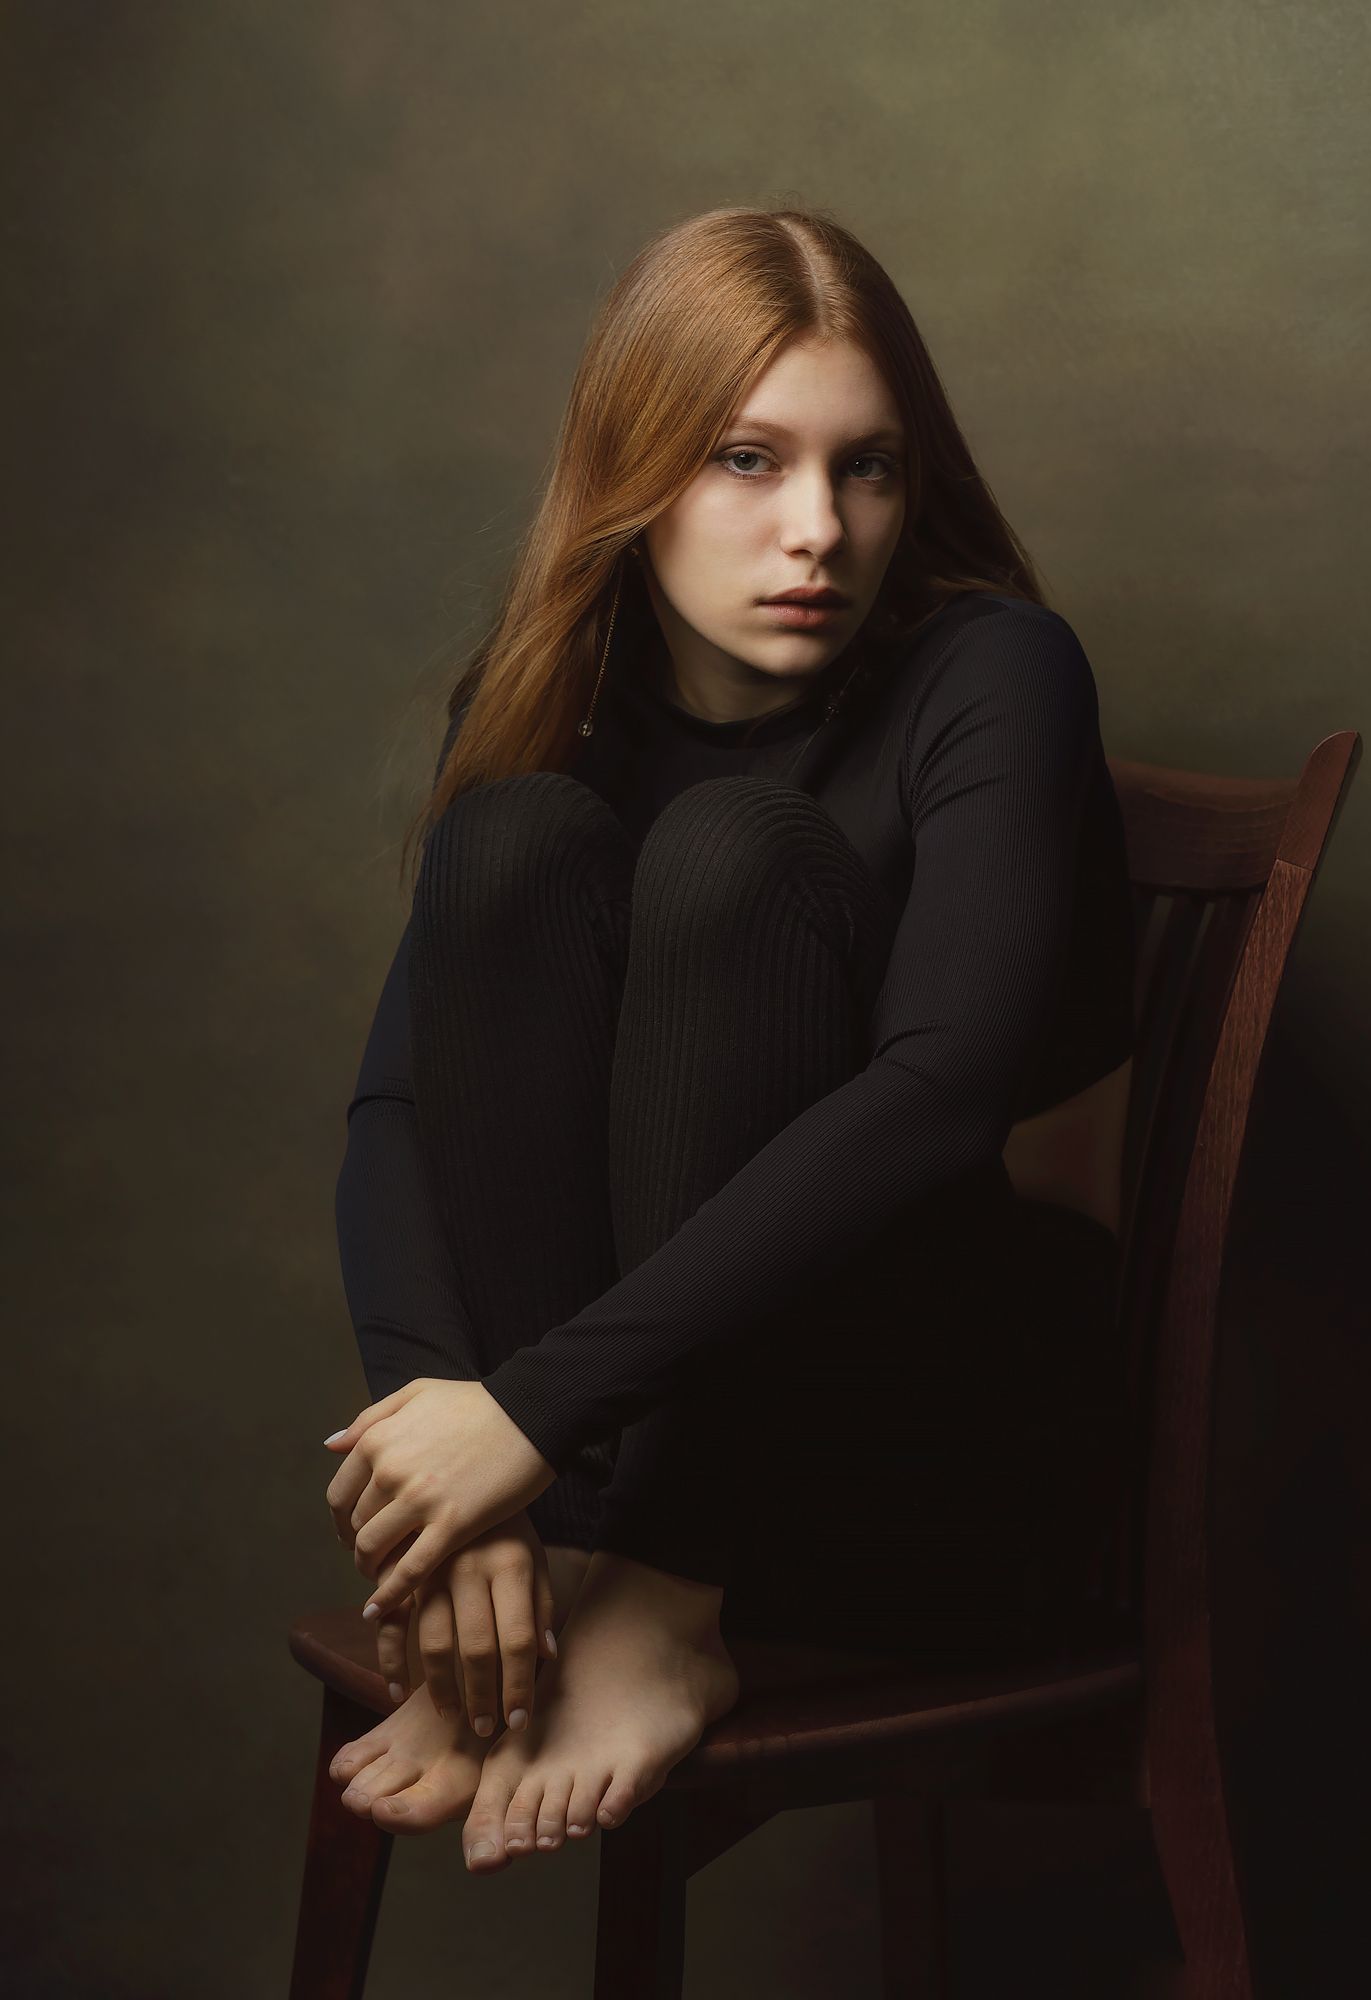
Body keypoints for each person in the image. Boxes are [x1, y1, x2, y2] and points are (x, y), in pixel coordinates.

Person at [321, 203, 1137, 1877]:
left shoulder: (997, 671)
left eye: (869, 468)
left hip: (926, 1470)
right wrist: (466, 1492)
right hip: (589, 1470)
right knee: (511, 841)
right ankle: (571, 1580)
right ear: (637, 477)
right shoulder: (555, 694)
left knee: (731, 855)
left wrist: (531, 1422)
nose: (818, 530)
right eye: (748, 461)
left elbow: (942, 1092)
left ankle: (660, 1604)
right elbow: (399, 1102)